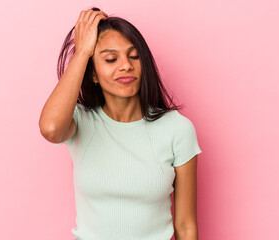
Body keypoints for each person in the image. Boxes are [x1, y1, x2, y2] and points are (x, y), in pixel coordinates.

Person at [39, 7, 202, 240]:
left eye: (134, 56)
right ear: (93, 74)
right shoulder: (80, 121)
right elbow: (51, 128)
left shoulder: (177, 129)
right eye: (110, 59)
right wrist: (83, 51)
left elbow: (186, 226)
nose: (126, 65)